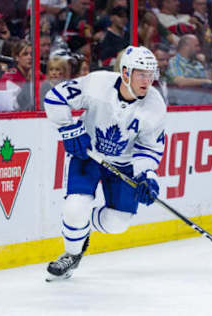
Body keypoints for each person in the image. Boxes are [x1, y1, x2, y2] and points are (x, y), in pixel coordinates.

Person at [43, 45, 166, 279]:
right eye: (142, 74)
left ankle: (81, 229)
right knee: (75, 207)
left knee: (118, 223)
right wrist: (69, 129)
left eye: (151, 75)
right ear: (126, 73)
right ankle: (71, 254)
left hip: (123, 164)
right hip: (88, 155)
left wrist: (147, 175)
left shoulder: (155, 105)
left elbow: (149, 148)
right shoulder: (98, 83)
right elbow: (55, 97)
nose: (147, 81)